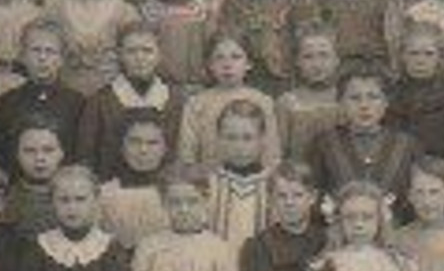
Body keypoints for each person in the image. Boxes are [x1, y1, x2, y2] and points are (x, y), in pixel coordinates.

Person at [307, 65, 421, 222]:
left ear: (386, 102)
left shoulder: (406, 145)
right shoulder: (325, 143)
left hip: (394, 236)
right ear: (341, 103)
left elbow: (416, 197)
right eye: (354, 98)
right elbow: (313, 194)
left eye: (373, 97)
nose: (364, 106)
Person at [74, 21, 184, 182]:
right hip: (112, 189)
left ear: (160, 55)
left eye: (147, 51)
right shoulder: (100, 101)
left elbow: (181, 152)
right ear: (120, 54)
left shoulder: (175, 100)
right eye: (131, 51)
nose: (140, 58)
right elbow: (85, 155)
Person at [177, 29, 282, 170]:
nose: (227, 65)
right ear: (210, 65)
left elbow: (272, 153)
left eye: (236, 57)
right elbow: (187, 154)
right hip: (209, 181)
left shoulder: (263, 102)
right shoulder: (197, 104)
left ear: (248, 63)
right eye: (219, 58)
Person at [52, 0, 142, 97]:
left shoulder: (126, 12)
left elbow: (136, 55)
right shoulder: (57, 11)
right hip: (67, 94)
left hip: (113, 95)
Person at [0, 17, 84, 161]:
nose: (42, 58)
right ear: (23, 56)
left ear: (61, 59)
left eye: (50, 51)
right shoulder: (6, 103)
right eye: (36, 50)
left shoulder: (78, 103)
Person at [95, 109, 173, 250]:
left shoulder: (176, 195)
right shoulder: (102, 195)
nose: (143, 150)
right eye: (134, 142)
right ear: (121, 146)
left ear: (165, 148)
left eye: (152, 143)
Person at [207, 100, 275, 258]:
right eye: (231, 138)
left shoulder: (274, 185)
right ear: (219, 139)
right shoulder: (208, 184)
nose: (239, 146)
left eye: (247, 138)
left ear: (262, 139)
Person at [387, 21, 444, 157]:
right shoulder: (389, 95)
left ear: (440, 58)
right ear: (402, 56)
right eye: (413, 53)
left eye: (429, 54)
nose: (420, 61)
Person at [275, 22, 343, 162]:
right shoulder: (287, 102)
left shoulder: (346, 99)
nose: (316, 64)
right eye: (308, 57)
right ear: (297, 62)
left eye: (324, 55)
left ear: (336, 60)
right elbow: (279, 152)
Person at [2, 115, 66, 237]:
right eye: (29, 151)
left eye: (48, 150)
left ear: (61, 153)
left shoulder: (81, 197)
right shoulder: (6, 201)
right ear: (17, 154)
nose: (39, 158)